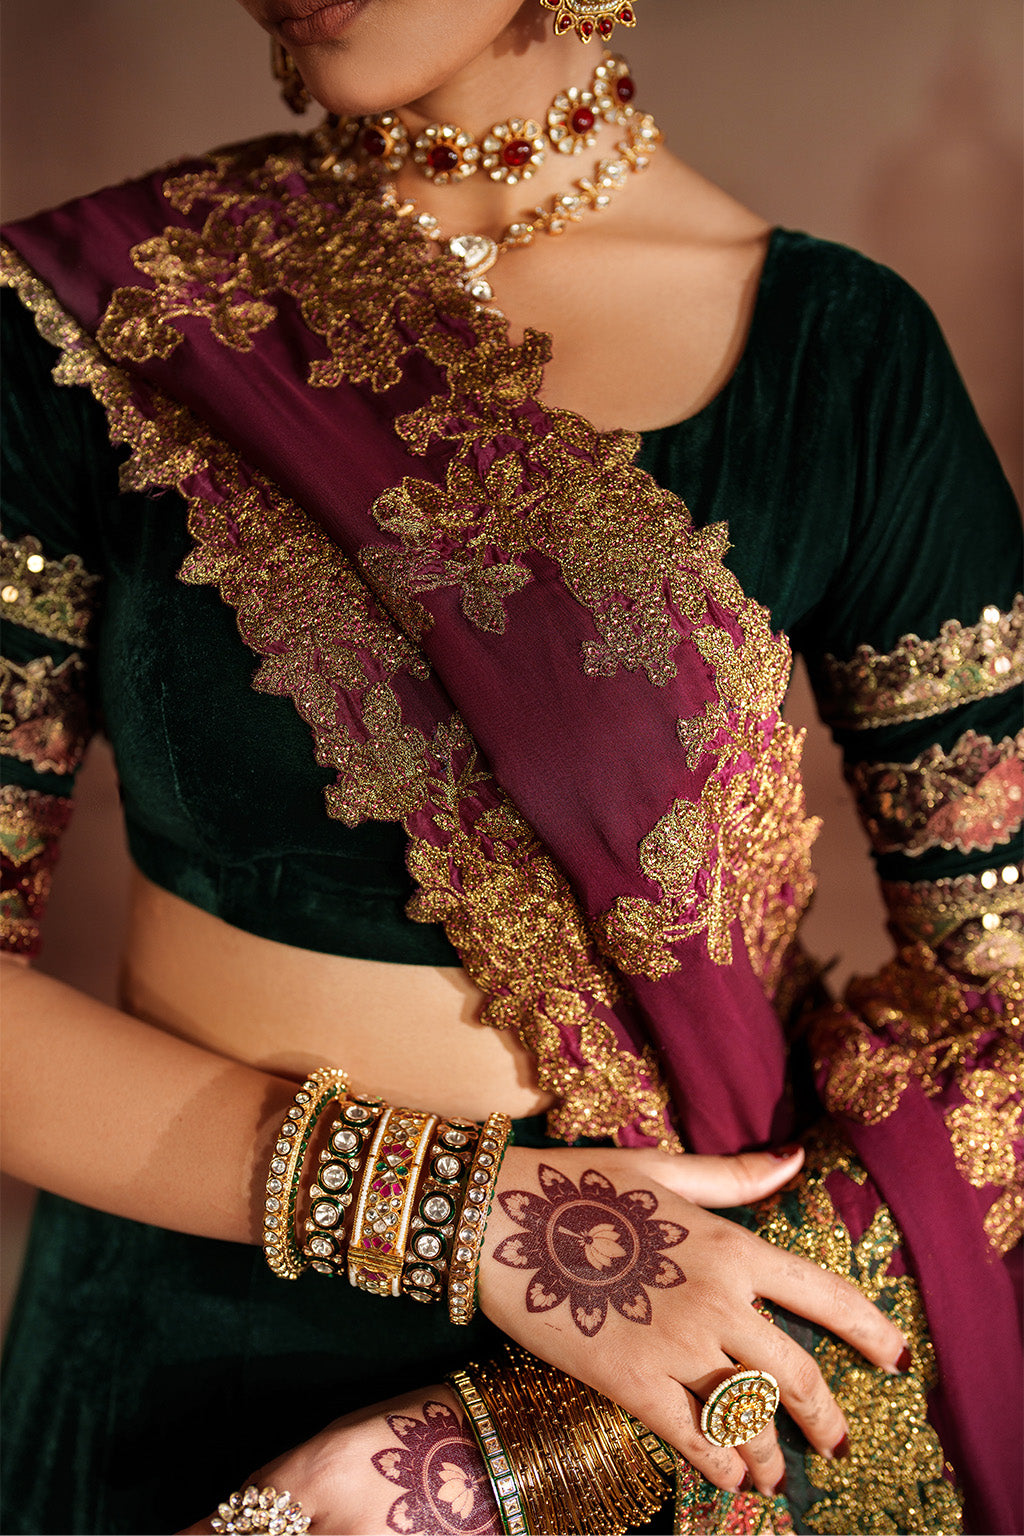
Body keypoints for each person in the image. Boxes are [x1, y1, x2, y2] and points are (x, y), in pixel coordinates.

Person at [1, 2, 1020, 1533]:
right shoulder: (99, 311)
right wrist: (465, 1217)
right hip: (170, 1338)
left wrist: (516, 1460)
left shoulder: (844, 361)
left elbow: (1004, 1017)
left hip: (668, 1367)